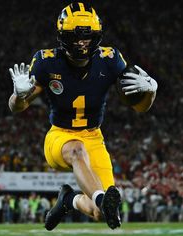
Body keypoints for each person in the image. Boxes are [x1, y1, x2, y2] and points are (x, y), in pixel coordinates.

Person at [8, 2, 158, 230]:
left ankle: (68, 200)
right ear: (62, 36)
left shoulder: (110, 59)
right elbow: (17, 107)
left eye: (87, 37)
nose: (82, 42)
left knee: (101, 214)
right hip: (60, 137)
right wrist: (18, 96)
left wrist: (150, 92)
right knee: (78, 152)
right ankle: (100, 198)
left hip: (94, 138)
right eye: (75, 36)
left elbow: (139, 107)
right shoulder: (47, 61)